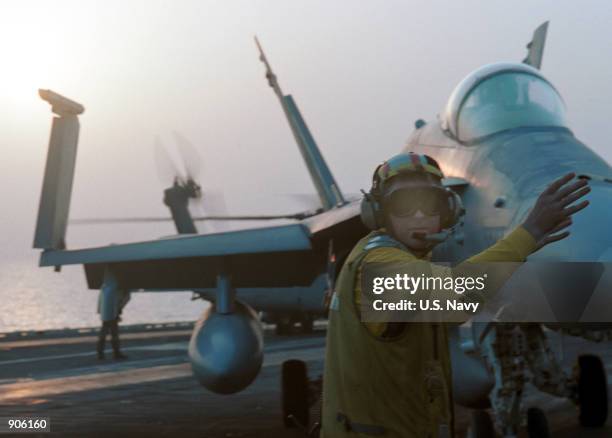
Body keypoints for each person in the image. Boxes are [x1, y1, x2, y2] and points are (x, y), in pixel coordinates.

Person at [320, 152, 590, 437]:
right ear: (379, 212)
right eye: (404, 206)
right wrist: (527, 234)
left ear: (448, 210)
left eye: (430, 204)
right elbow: (456, 290)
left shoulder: (405, 260)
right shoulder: (378, 266)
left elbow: (455, 307)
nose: (419, 216)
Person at [96, 286, 131, 360]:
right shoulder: (118, 288)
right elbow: (125, 298)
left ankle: (102, 352)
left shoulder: (107, 285)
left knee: (107, 329)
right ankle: (114, 352)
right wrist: (118, 309)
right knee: (111, 330)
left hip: (109, 305)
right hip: (111, 306)